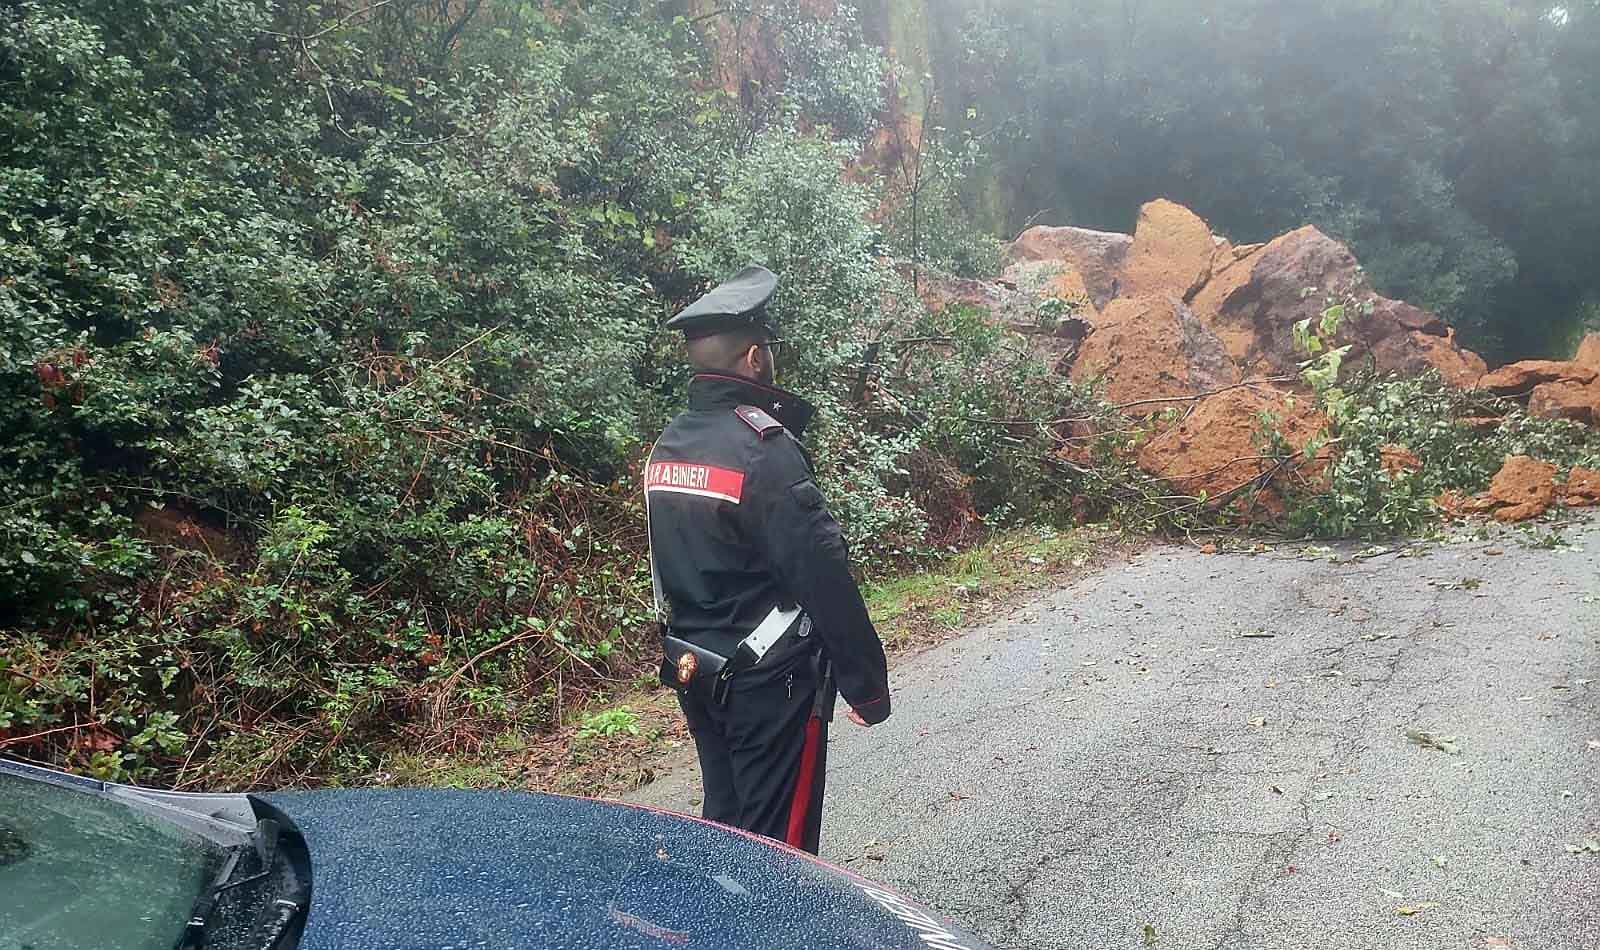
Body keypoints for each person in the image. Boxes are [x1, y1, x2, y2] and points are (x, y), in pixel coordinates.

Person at [644, 264, 891, 855]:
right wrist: (867, 686)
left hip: (694, 669)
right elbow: (821, 572)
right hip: (766, 682)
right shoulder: (764, 451)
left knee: (724, 826)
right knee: (779, 850)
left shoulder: (669, 444)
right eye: (770, 350)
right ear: (754, 358)